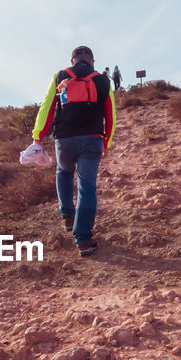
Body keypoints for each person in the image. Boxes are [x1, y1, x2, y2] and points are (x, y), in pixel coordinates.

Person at [31, 45, 116, 256]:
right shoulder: (103, 80)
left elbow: (47, 107)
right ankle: (83, 240)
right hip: (92, 139)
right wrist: (107, 142)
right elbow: (111, 114)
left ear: (72, 61)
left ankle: (68, 217)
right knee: (87, 188)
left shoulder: (60, 76)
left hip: (64, 139)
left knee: (64, 172)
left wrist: (38, 136)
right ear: (93, 61)